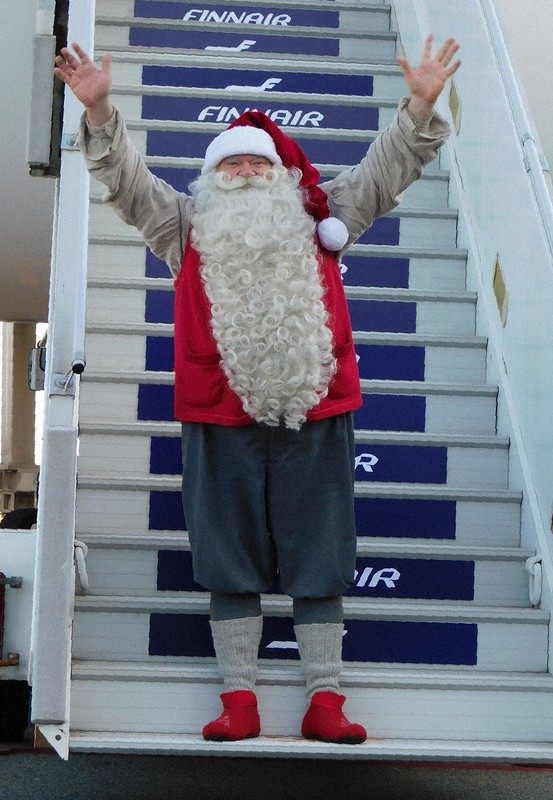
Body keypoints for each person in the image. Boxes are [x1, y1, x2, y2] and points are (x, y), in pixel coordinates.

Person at [54, 35, 461, 744]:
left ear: (277, 174)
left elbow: (387, 168)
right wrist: (98, 114)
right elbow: (125, 181)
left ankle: (324, 701)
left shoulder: (324, 217)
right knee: (225, 550)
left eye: (256, 161)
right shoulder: (183, 225)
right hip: (218, 414)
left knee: (321, 552)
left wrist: (419, 104)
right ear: (213, 177)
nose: (244, 170)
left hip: (317, 405)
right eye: (231, 162)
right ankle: (238, 698)